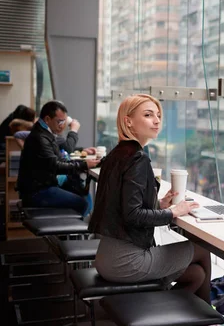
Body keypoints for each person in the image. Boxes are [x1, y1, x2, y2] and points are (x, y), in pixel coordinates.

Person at [88, 94, 212, 303]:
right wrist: (173, 211)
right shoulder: (138, 158)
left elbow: (119, 204)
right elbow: (132, 215)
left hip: (105, 257)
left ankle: (162, 314)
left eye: (158, 115)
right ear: (128, 121)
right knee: (202, 249)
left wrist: (159, 204)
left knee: (196, 275)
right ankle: (211, 317)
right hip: (126, 261)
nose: (156, 121)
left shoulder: (115, 154)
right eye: (148, 115)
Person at [17, 101, 100, 214]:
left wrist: (82, 160)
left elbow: (59, 158)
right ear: (47, 119)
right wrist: (84, 164)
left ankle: (70, 228)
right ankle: (69, 230)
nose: (62, 125)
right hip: (37, 192)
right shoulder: (40, 138)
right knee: (83, 203)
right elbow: (55, 165)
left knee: (79, 192)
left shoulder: (44, 132)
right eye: (60, 121)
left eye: (64, 121)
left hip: (40, 186)